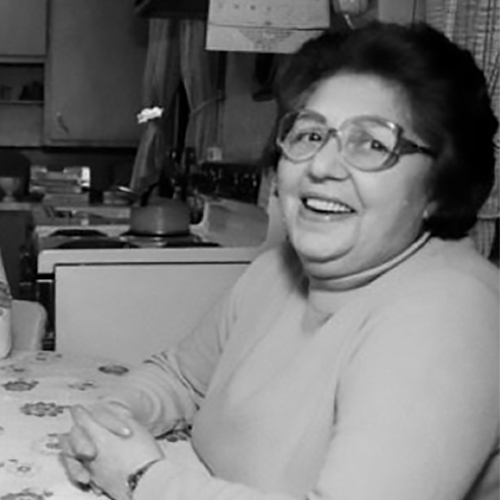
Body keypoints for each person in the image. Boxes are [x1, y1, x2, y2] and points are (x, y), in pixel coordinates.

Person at [59, 21, 499, 500]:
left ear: (440, 187)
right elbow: (179, 375)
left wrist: (140, 477)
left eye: (373, 143)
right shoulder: (276, 271)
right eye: (310, 135)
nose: (322, 166)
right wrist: (113, 421)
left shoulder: (453, 314)